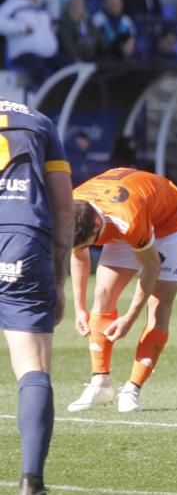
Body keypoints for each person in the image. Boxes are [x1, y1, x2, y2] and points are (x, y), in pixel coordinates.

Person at [67, 168, 177, 413]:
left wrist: (129, 318)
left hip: (170, 222)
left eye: (91, 242)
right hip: (127, 216)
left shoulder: (128, 219)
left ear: (96, 224)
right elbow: (78, 253)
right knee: (103, 295)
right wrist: (79, 308)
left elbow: (151, 267)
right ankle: (100, 383)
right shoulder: (71, 208)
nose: (89, 248)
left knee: (159, 306)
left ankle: (133, 388)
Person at [0, 98, 73, 495]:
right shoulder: (37, 120)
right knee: (33, 367)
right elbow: (64, 208)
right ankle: (31, 480)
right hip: (22, 242)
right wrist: (59, 281)